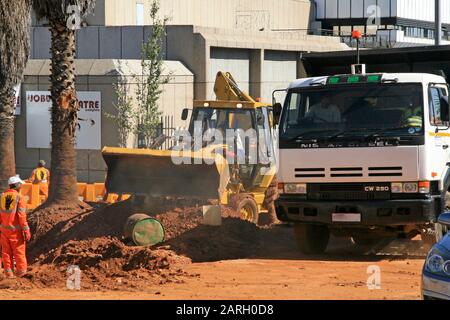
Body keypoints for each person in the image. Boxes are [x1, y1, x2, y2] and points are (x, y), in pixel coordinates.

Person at [0, 176, 31, 279]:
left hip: (4, 230)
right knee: (18, 252)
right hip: (15, 231)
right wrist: (26, 230)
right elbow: (22, 216)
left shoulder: (2, 196)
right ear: (17, 185)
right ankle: (21, 274)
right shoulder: (19, 197)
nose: (21, 186)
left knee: (6, 252)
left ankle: (8, 274)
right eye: (20, 184)